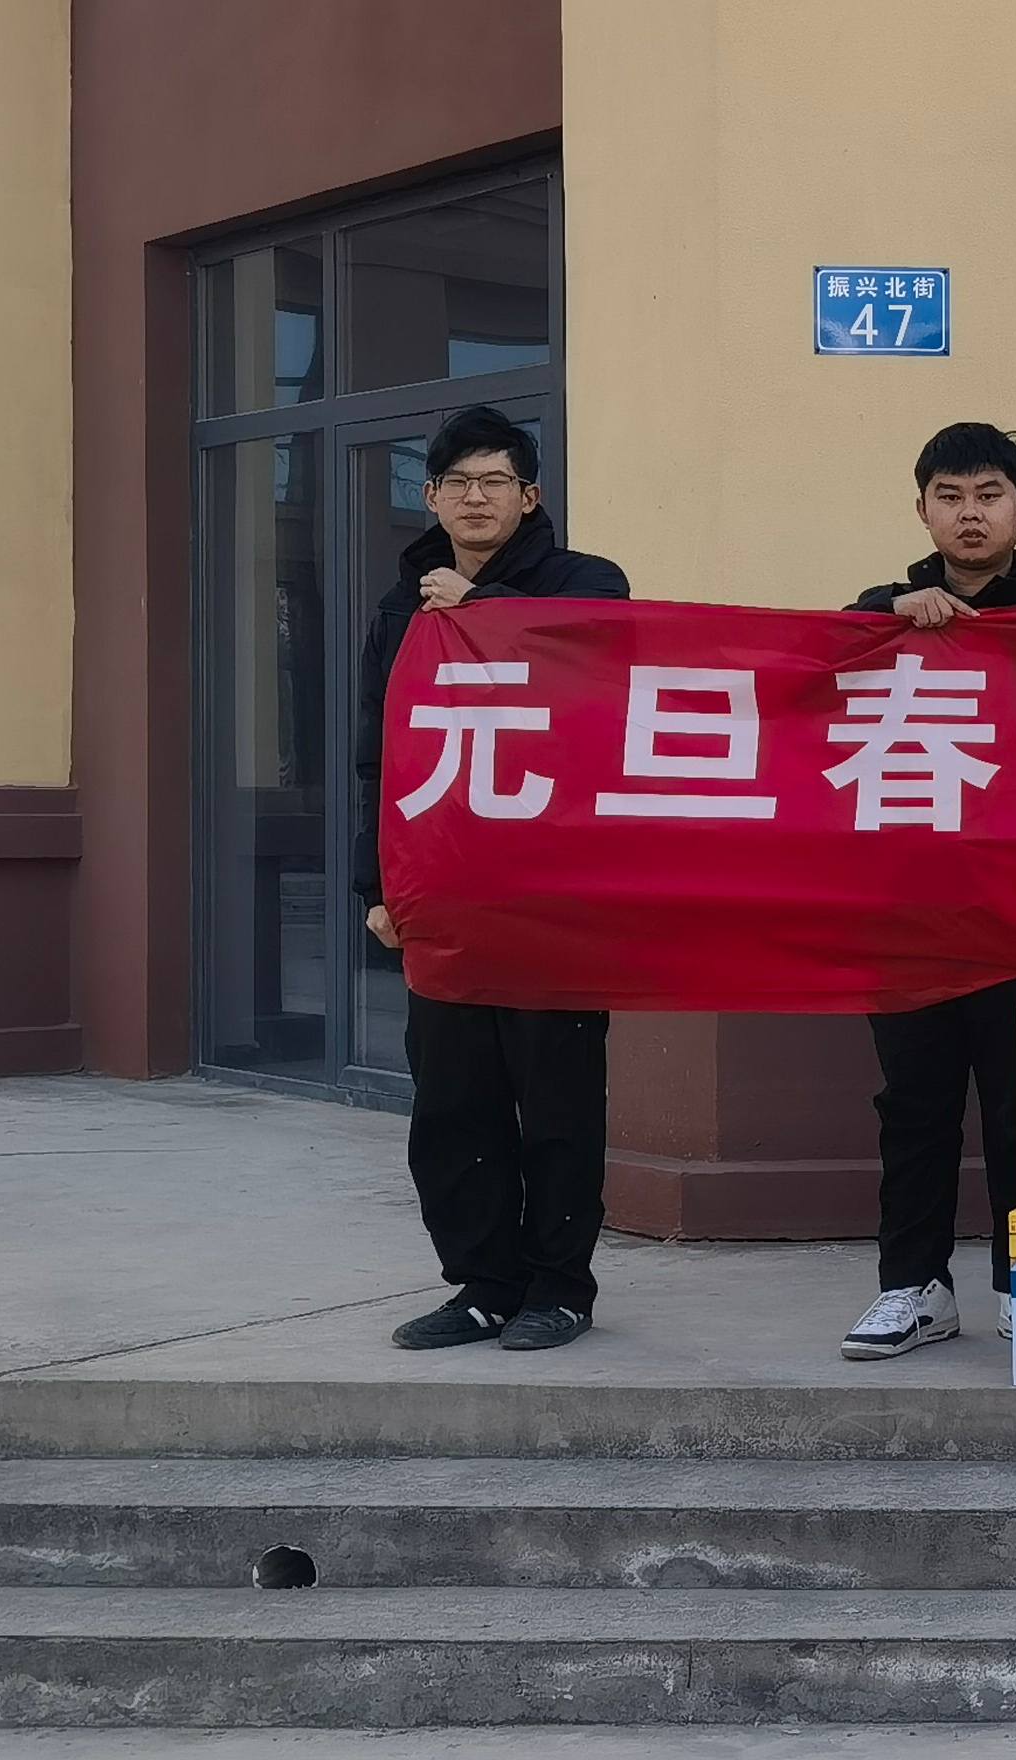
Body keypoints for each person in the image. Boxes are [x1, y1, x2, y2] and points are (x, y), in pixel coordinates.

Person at [358, 406, 632, 1353]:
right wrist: (376, 886)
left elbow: (595, 668)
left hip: (556, 896)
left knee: (557, 1101)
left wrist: (481, 612)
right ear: (432, 498)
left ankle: (560, 1288)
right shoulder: (401, 607)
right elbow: (378, 758)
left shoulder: (586, 582)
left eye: (496, 482)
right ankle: (482, 1285)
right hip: (446, 894)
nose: (477, 498)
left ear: (530, 495)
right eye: (458, 483)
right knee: (453, 1103)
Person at [841, 422, 1016, 1361]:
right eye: (950, 496)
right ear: (922, 509)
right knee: (915, 1107)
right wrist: (891, 615)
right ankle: (913, 1288)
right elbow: (813, 690)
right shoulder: (871, 620)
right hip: (909, 915)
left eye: (988, 495)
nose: (970, 515)